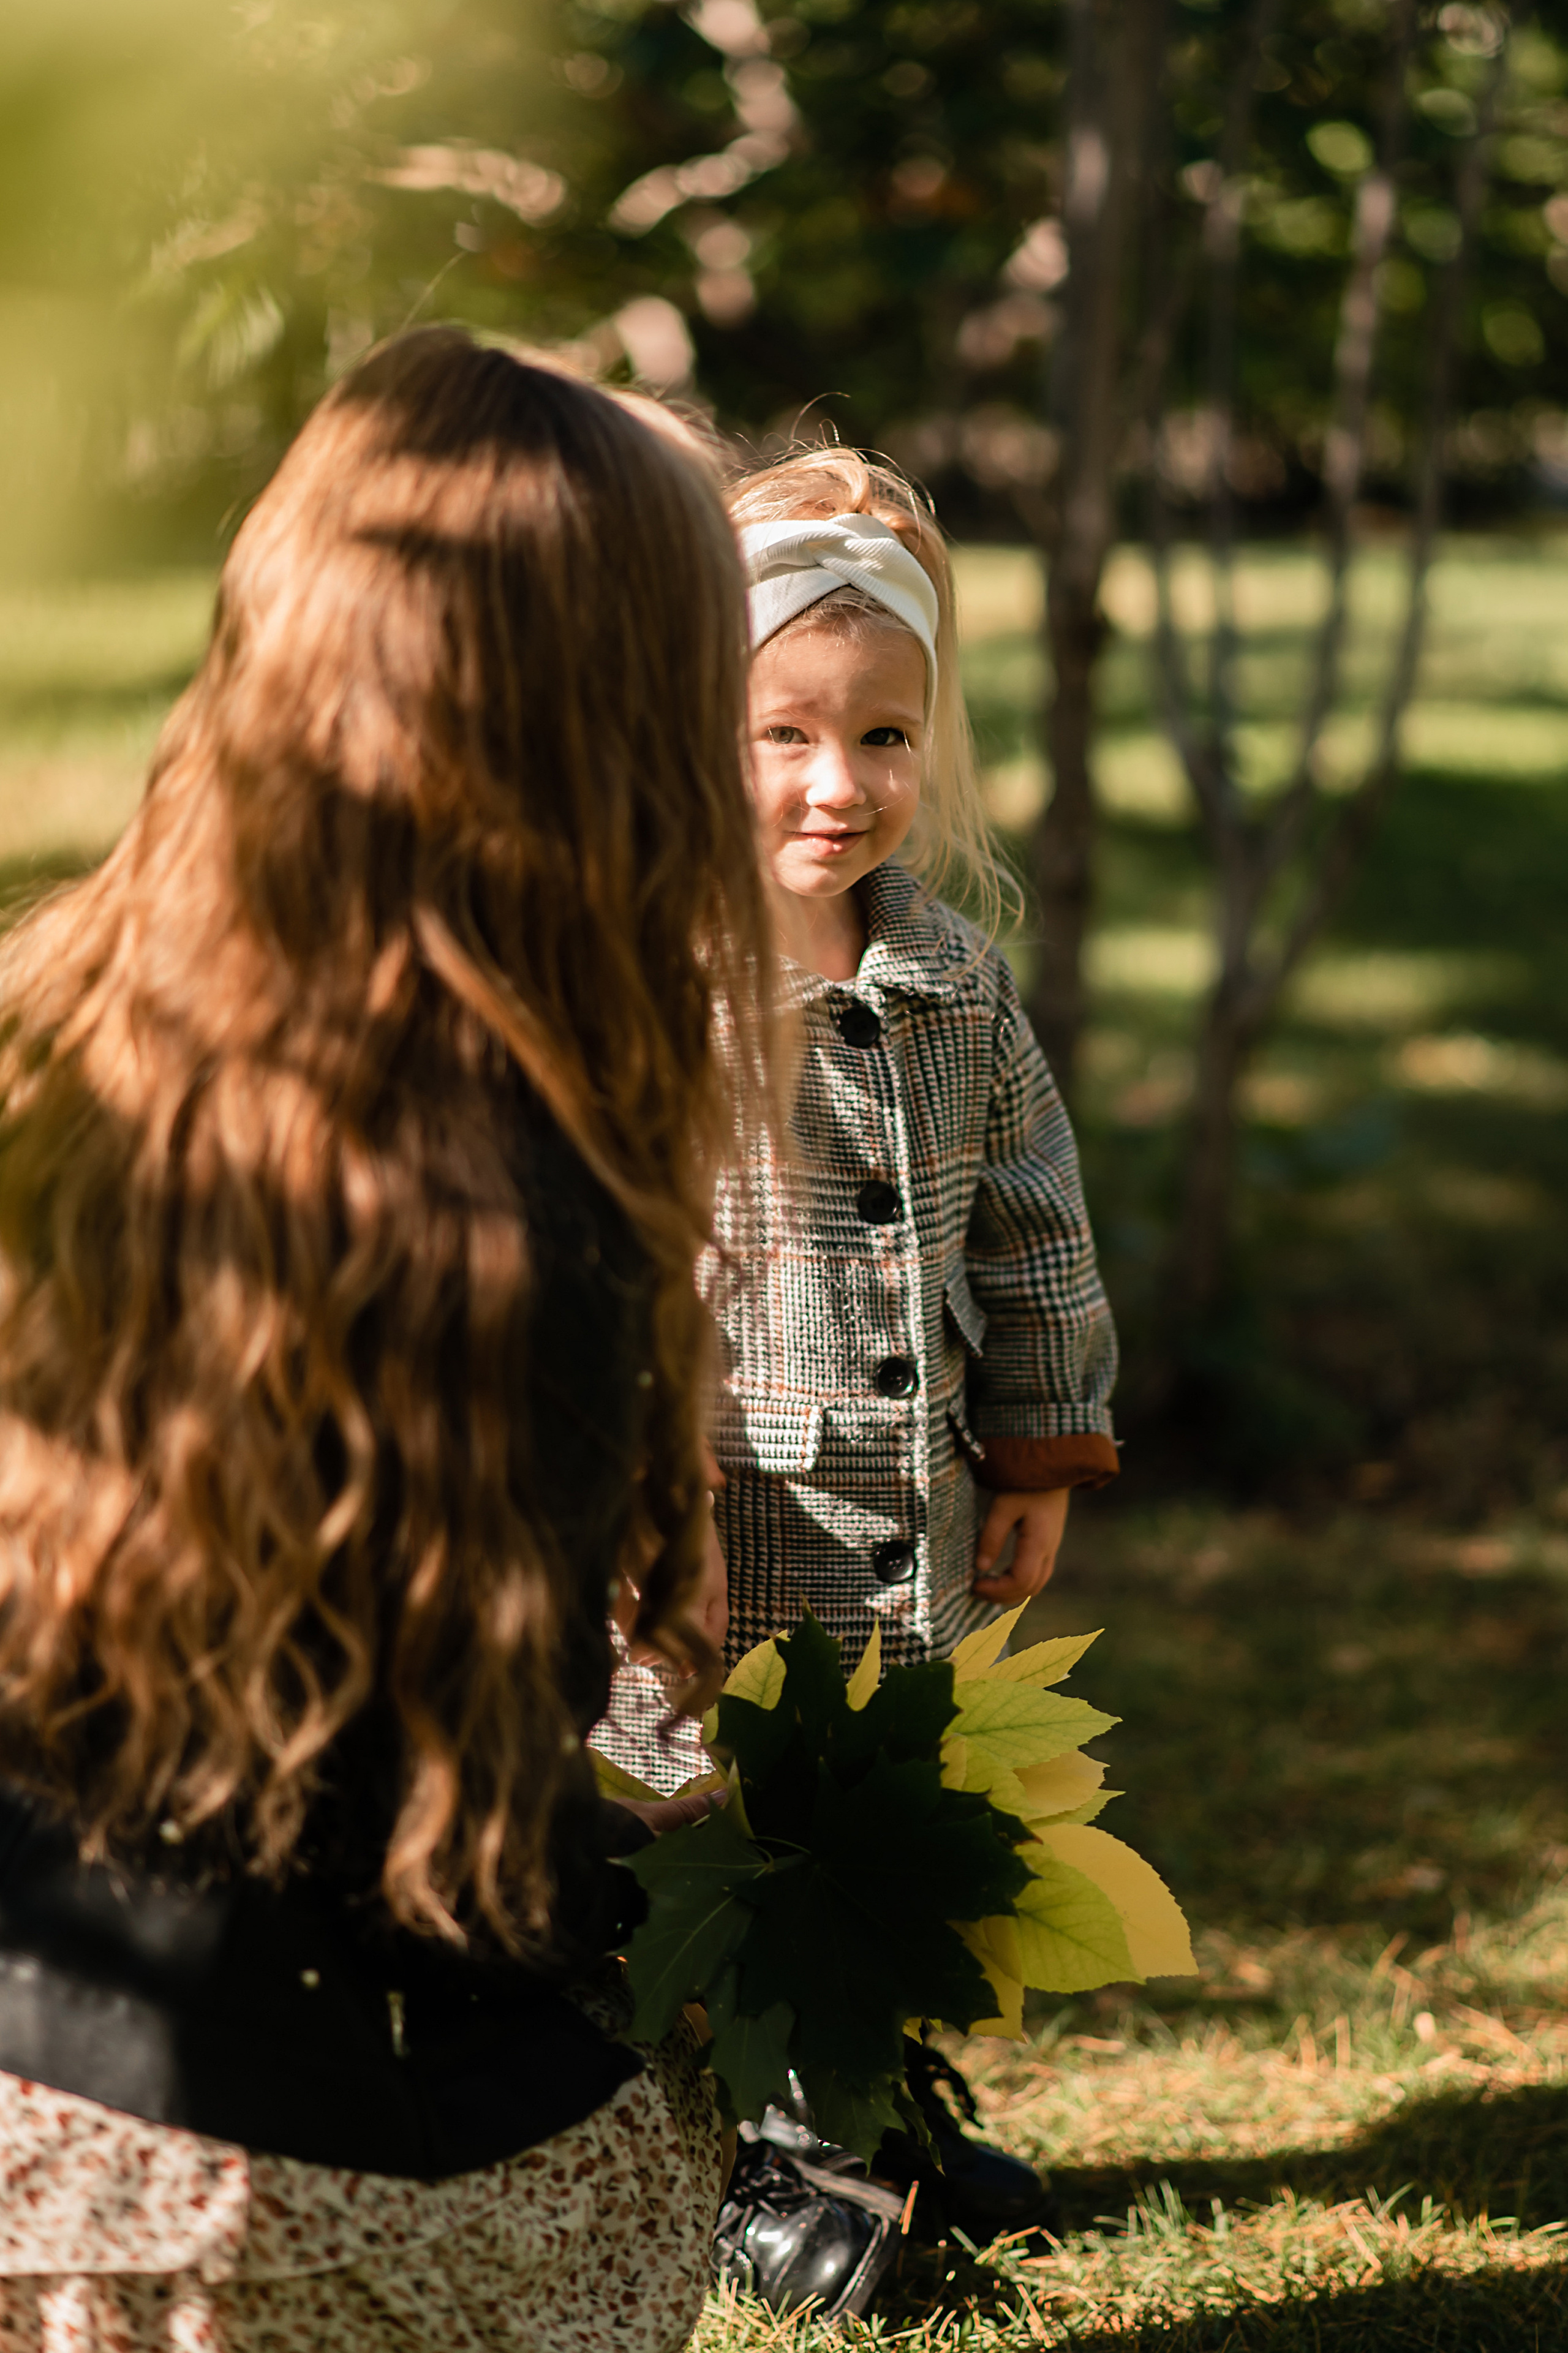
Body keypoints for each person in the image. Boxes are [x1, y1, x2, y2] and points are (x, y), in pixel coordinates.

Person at [0, 326, 770, 2353]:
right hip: (347, 2193)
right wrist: (718, 1876)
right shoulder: (535, 1213)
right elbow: (451, 1820)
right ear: (626, 737)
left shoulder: (47, 1043)